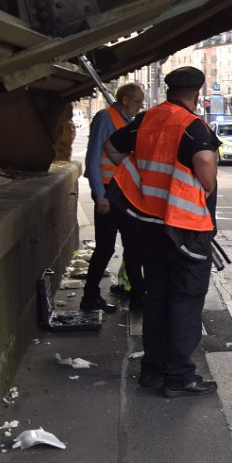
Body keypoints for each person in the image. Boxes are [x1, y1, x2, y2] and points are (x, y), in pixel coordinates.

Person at [104, 66, 220, 398]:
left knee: (157, 298)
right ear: (196, 95)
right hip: (184, 230)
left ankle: (152, 371)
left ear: (169, 91)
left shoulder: (146, 119)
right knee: (185, 299)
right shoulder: (193, 127)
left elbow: (113, 150)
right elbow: (205, 170)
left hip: (148, 226)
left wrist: (141, 175)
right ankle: (180, 377)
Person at [81, 83, 146, 314]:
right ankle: (90, 296)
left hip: (126, 194)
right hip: (109, 193)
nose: (140, 106)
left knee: (134, 246)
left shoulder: (130, 122)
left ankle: (139, 296)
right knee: (106, 247)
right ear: (126, 99)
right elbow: (93, 158)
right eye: (138, 101)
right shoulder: (105, 118)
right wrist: (100, 195)